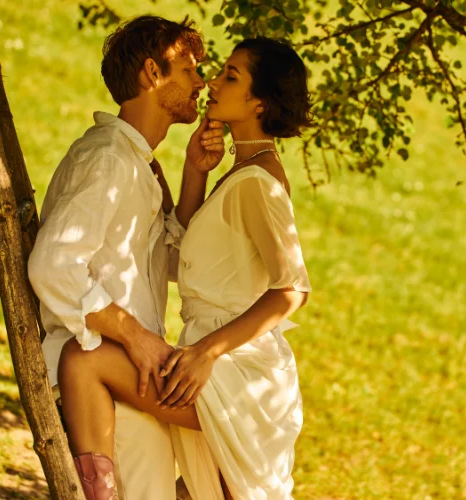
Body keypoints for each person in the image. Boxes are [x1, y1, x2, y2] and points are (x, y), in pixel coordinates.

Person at [56, 37, 314, 499]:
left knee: (84, 359)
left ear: (258, 102)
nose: (212, 82)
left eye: (230, 76)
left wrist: (206, 353)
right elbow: (191, 258)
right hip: (207, 359)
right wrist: (196, 173)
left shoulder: (259, 182)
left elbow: (292, 290)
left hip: (235, 370)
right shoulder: (241, 172)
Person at [27, 15, 226, 500]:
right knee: (237, 437)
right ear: (152, 75)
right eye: (189, 69)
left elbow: (176, 265)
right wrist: (136, 338)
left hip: (133, 378)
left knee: (238, 445)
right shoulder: (108, 160)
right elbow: (53, 266)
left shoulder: (136, 162)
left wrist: (194, 175)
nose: (201, 81)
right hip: (99, 377)